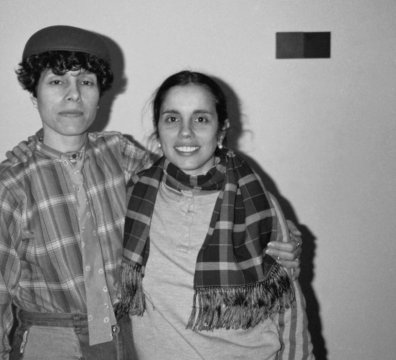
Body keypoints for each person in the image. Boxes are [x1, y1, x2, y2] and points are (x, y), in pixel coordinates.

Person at [0, 25, 302, 360]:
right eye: (56, 81)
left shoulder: (118, 153)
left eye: (86, 82)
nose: (73, 95)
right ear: (34, 92)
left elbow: (191, 175)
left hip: (123, 338)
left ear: (100, 92)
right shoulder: (7, 188)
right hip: (52, 342)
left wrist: (280, 235)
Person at [117, 70, 314, 359]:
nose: (186, 132)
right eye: (172, 119)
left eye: (201, 119)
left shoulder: (256, 203)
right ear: (157, 129)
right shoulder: (133, 196)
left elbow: (289, 310)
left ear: (221, 129)